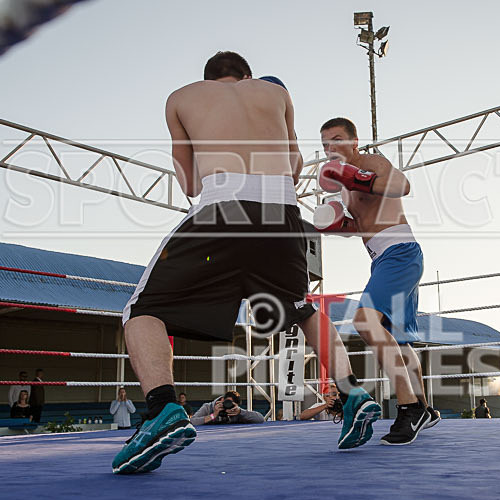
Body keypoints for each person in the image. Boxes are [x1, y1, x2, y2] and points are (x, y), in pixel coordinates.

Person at [113, 52, 382, 474]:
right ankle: (352, 393)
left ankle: (162, 411)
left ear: (208, 80)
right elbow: (293, 167)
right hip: (281, 213)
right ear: (246, 76)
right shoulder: (275, 93)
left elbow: (188, 184)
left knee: (141, 310)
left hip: (223, 208)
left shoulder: (181, 98)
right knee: (301, 306)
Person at [316, 116, 439, 445]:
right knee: (399, 340)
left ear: (354, 142)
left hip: (400, 251)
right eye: (326, 143)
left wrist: (360, 179)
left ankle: (408, 407)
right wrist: (336, 224)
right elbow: (360, 226)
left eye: (338, 139)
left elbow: (403, 187)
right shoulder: (344, 186)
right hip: (383, 258)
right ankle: (425, 408)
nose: (331, 147)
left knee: (365, 322)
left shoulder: (372, 162)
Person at [190, 391, 264, 425]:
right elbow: (192, 422)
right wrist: (213, 415)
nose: (229, 405)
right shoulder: (208, 407)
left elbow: (261, 419)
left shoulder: (235, 411)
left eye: (232, 404)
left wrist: (240, 412)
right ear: (222, 399)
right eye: (228, 402)